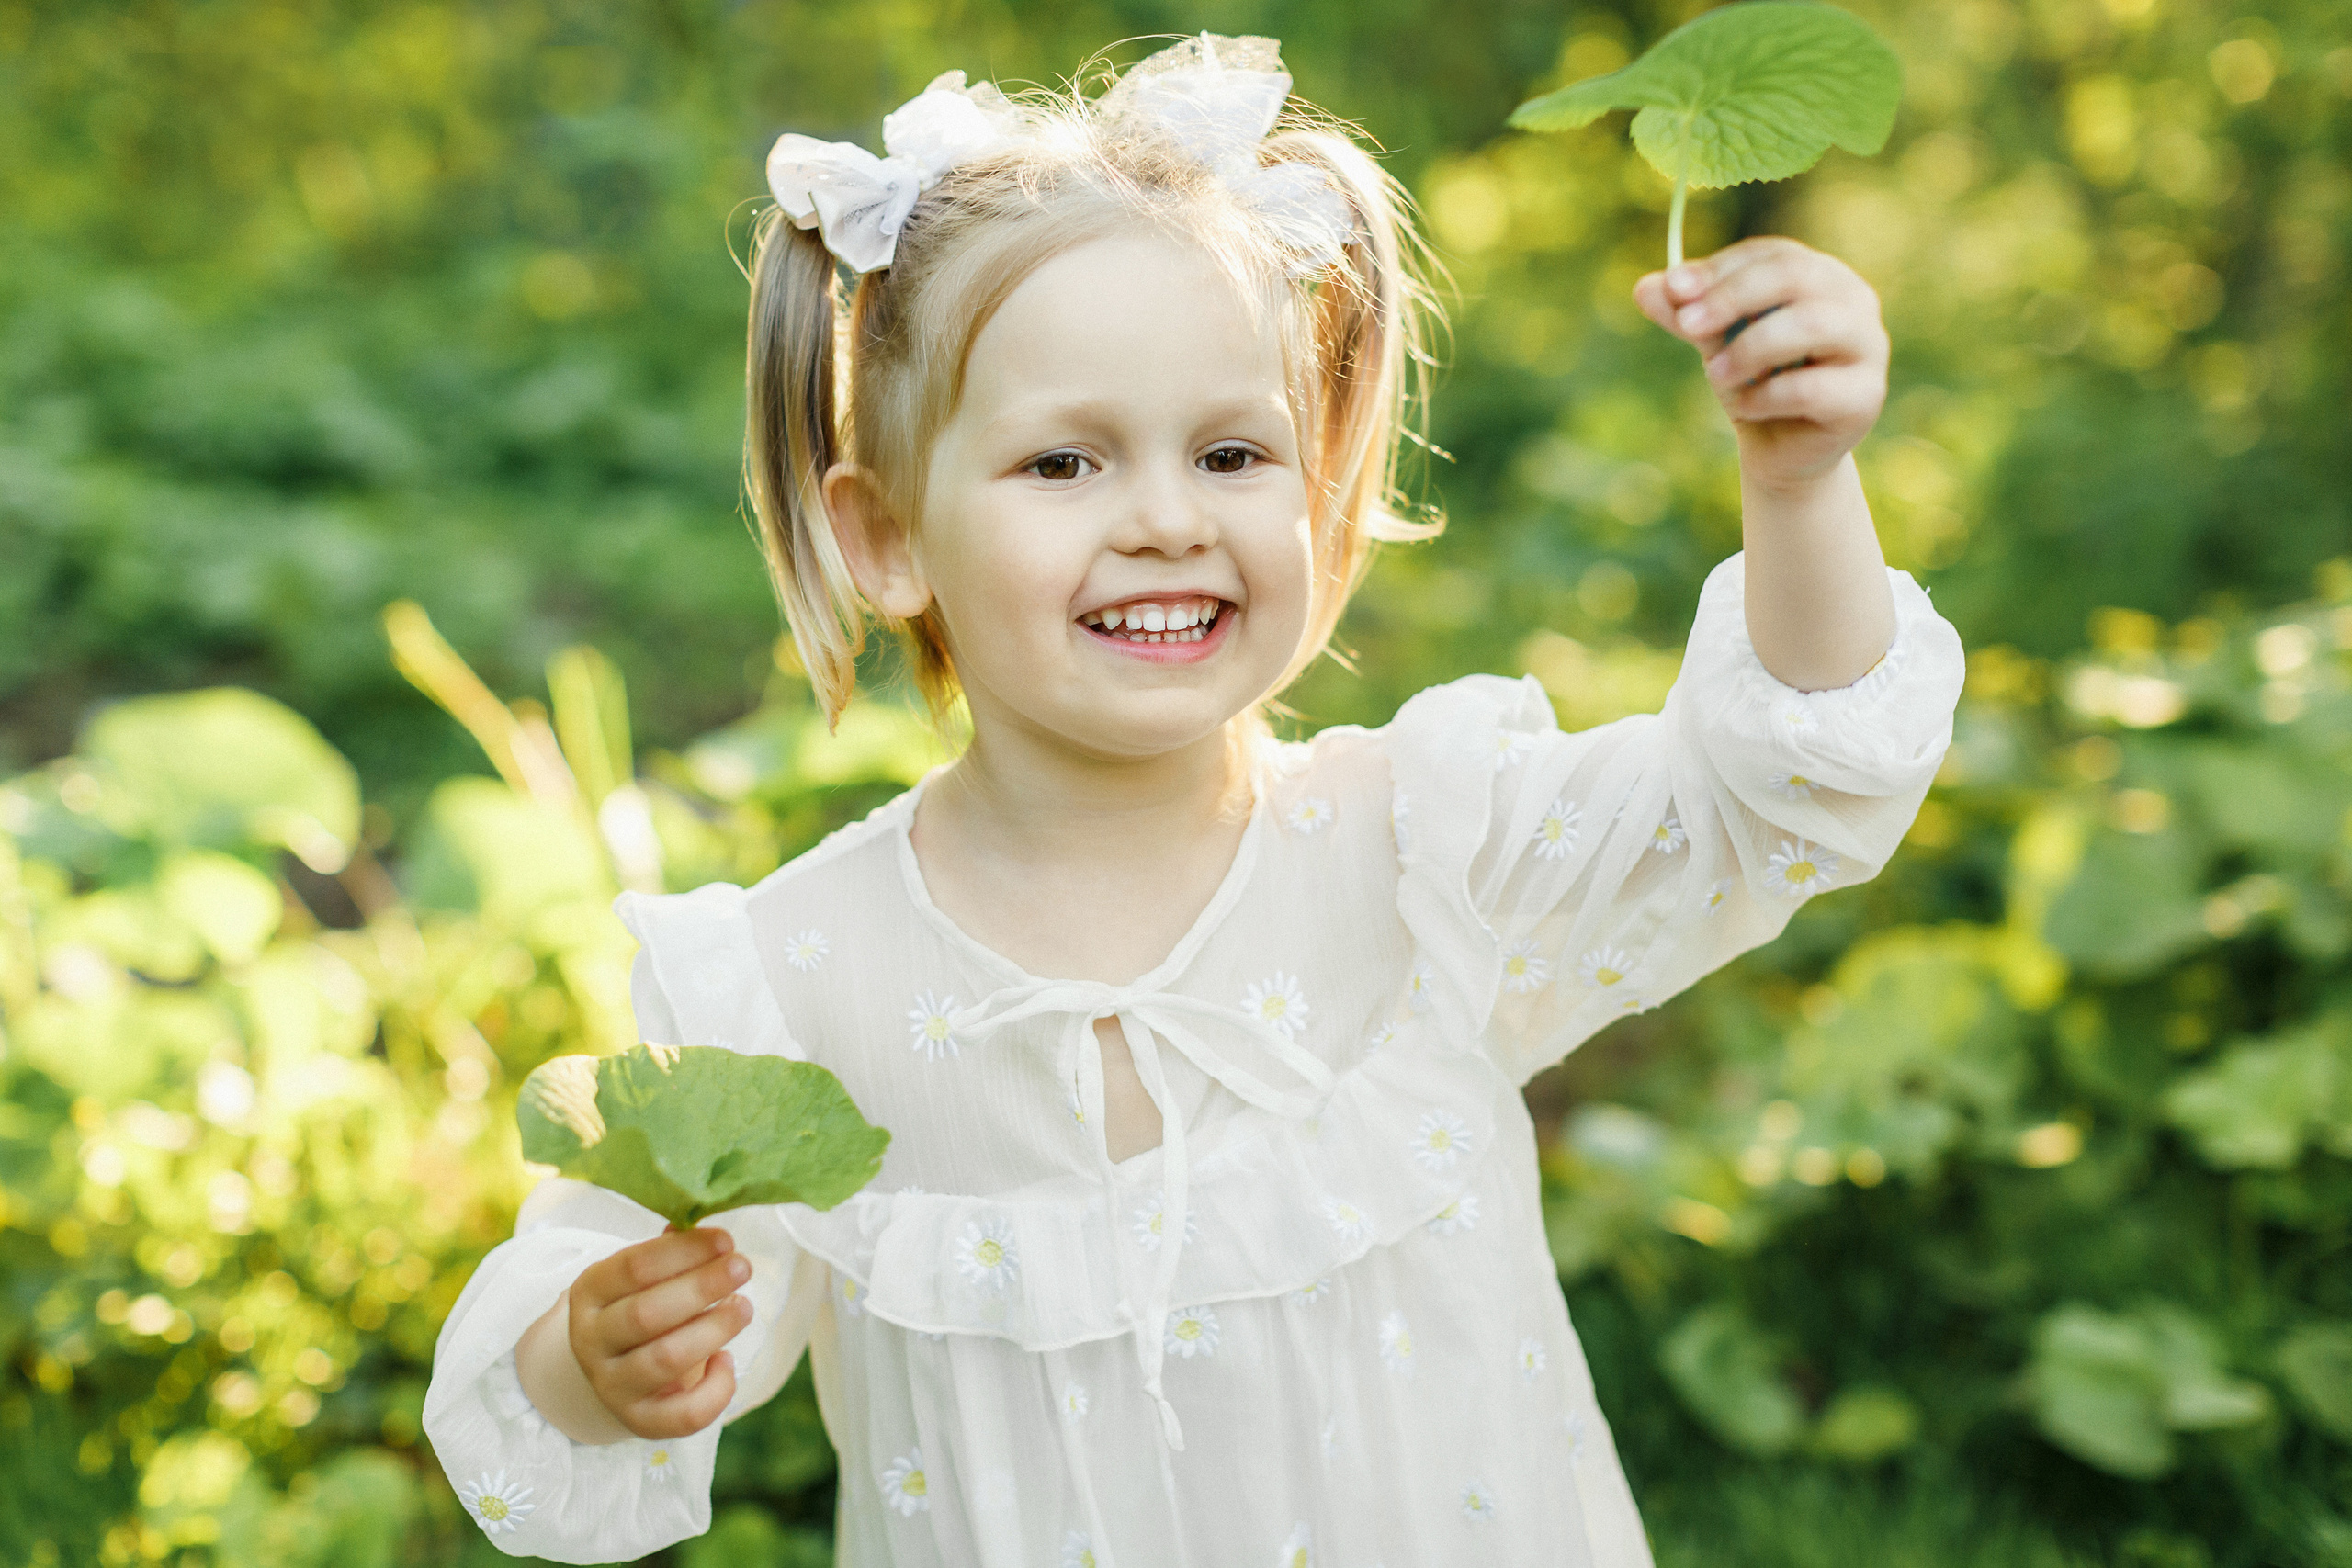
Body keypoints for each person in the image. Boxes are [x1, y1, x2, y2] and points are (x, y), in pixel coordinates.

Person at [421, 32, 1963, 1566]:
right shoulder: (801, 976)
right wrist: (597, 1357)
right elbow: (614, 1324)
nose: (1165, 517)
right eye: (1063, 465)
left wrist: (1798, 482)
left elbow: (1777, 794)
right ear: (886, 537)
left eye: (1232, 452)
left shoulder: (1423, 849)